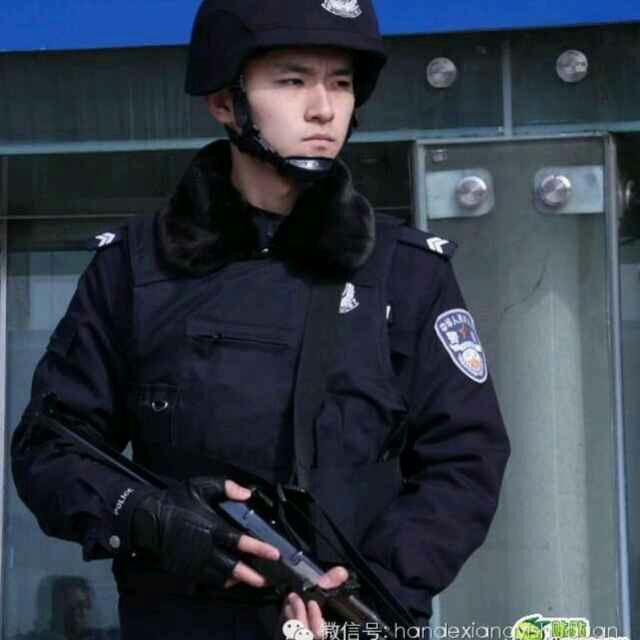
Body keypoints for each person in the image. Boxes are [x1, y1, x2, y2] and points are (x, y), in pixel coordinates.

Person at [11, 1, 511, 638]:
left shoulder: (407, 273)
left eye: (341, 83)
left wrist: (369, 589)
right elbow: (50, 446)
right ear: (225, 102)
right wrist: (148, 516)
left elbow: (465, 459)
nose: (324, 109)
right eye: (293, 80)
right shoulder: (133, 269)